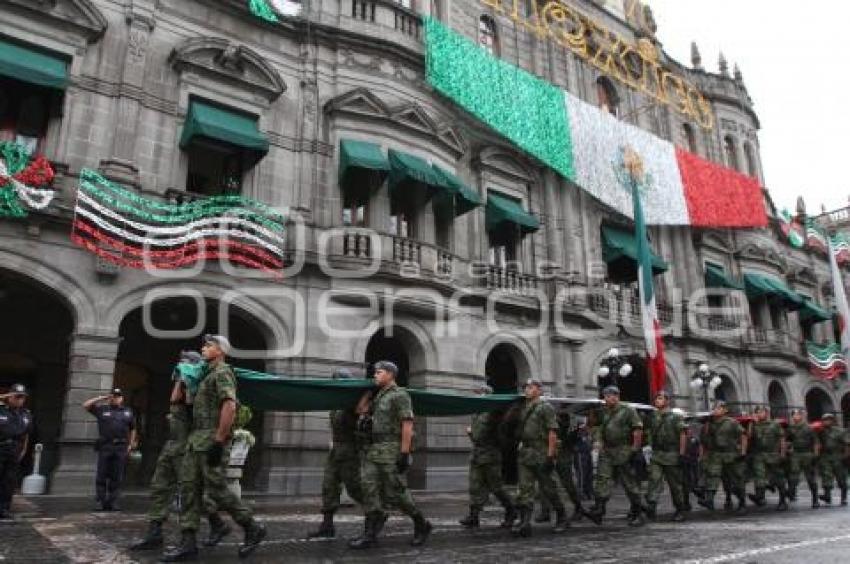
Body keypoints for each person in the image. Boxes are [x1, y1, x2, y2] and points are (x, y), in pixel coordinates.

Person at [161, 335, 266, 561]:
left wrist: (219, 441)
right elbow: (181, 402)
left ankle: (252, 527)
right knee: (189, 490)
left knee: (217, 489)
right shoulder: (204, 376)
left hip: (211, 439)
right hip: (195, 440)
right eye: (204, 345)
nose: (203, 348)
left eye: (208, 346)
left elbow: (229, 406)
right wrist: (184, 376)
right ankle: (188, 543)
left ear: (221, 350)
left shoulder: (223, 373)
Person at [131, 351, 226, 550]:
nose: (180, 369)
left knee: (190, 494)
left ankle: (214, 525)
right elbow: (174, 399)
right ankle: (154, 533)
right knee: (159, 488)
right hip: (172, 446)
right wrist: (180, 378)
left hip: (186, 448)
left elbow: (181, 400)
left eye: (184, 365)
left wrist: (186, 378)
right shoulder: (183, 381)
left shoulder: (198, 386)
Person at [349, 361, 432, 549]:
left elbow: (407, 424)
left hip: (391, 449)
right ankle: (370, 534)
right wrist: (368, 394)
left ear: (390, 375)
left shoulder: (400, 395)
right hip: (374, 448)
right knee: (368, 489)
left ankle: (421, 524)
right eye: (375, 373)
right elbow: (359, 411)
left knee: (397, 493)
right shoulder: (378, 396)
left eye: (379, 372)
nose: (375, 376)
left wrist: (404, 453)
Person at [307, 368, 365, 538]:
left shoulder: (352, 403)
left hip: (349, 451)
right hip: (336, 450)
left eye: (338, 380)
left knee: (355, 488)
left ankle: (375, 515)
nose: (335, 383)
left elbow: (361, 411)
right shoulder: (335, 404)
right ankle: (327, 526)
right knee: (329, 486)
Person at [510, 378, 568, 537]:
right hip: (526, 452)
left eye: (530, 387)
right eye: (526, 387)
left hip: (541, 452)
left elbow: (552, 432)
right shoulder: (524, 408)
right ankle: (525, 522)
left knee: (549, 487)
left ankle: (562, 517)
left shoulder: (545, 407)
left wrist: (550, 456)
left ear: (539, 391)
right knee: (524, 488)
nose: (527, 390)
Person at [583, 385, 645, 527]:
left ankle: (637, 513)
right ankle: (599, 510)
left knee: (629, 483)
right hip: (607, 451)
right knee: (602, 479)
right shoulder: (603, 411)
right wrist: (598, 439)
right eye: (608, 395)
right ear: (604, 397)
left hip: (624, 450)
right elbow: (596, 427)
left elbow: (637, 430)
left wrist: (634, 450)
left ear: (618, 396)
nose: (611, 398)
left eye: (614, 395)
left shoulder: (628, 410)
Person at [459, 384, 516, 529]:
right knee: (474, 486)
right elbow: (477, 438)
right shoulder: (476, 414)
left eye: (478, 393)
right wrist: (471, 434)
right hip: (477, 455)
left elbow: (500, 428)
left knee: (496, 487)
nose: (475, 396)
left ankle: (511, 509)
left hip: (490, 456)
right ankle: (474, 516)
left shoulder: (493, 413)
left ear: (486, 394)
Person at [83, 387, 137, 511]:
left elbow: (133, 428)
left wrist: (131, 443)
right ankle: (100, 501)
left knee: (117, 476)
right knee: (101, 475)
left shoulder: (128, 412)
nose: (115, 398)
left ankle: (113, 501)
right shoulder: (102, 410)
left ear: (122, 398)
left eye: (118, 396)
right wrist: (102, 398)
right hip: (105, 446)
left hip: (121, 447)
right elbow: (85, 405)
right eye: (113, 396)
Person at [644, 390, 688, 522]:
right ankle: (651, 506)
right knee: (654, 480)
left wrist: (681, 453)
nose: (657, 400)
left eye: (660, 398)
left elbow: (682, 435)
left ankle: (680, 509)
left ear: (667, 401)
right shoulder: (653, 416)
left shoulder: (675, 417)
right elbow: (648, 431)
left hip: (672, 454)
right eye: (657, 398)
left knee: (675, 485)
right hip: (657, 454)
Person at [698, 400, 747, 514]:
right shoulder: (710, 423)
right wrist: (706, 425)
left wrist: (743, 452)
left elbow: (743, 435)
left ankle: (742, 503)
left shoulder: (732, 422)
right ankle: (709, 500)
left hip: (731, 455)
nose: (716, 410)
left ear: (725, 410)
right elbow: (704, 440)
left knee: (736, 480)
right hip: (715, 455)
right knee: (712, 476)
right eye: (714, 408)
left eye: (719, 408)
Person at [535, 406, 583, 523]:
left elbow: (573, 441)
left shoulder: (572, 423)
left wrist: (568, 436)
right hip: (548, 453)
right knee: (544, 483)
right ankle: (545, 511)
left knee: (567, 484)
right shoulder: (547, 419)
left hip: (563, 455)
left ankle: (578, 508)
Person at [0, 384, 32, 519]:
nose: (20, 400)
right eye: (17, 396)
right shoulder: (1, 410)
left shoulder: (26, 414)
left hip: (14, 450)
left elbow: (26, 435)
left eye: (23, 397)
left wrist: (23, 450)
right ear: (10, 396)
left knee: (9, 481)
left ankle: (3, 509)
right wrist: (4, 396)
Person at [747, 406, 788, 511]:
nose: (759, 414)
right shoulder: (754, 425)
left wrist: (782, 453)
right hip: (759, 455)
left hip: (773, 454)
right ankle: (759, 497)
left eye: (761, 412)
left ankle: (783, 501)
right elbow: (749, 436)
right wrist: (751, 423)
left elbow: (782, 439)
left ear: (767, 413)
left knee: (778, 478)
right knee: (759, 476)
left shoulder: (774, 425)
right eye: (757, 412)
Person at [785, 408, 820, 508]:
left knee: (810, 478)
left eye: (798, 415)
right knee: (793, 477)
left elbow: (815, 442)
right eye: (794, 415)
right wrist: (788, 448)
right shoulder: (791, 428)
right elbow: (787, 440)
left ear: (801, 416)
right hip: (795, 455)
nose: (796, 417)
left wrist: (815, 454)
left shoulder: (809, 428)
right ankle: (791, 493)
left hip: (807, 454)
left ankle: (815, 499)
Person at [817, 412, 849, 506]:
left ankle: (844, 498)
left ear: (832, 420)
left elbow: (847, 444)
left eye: (829, 419)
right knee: (826, 476)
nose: (827, 421)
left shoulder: (840, 431)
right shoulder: (820, 431)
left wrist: (846, 456)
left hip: (838, 456)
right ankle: (827, 496)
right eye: (825, 420)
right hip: (825, 457)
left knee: (841, 478)